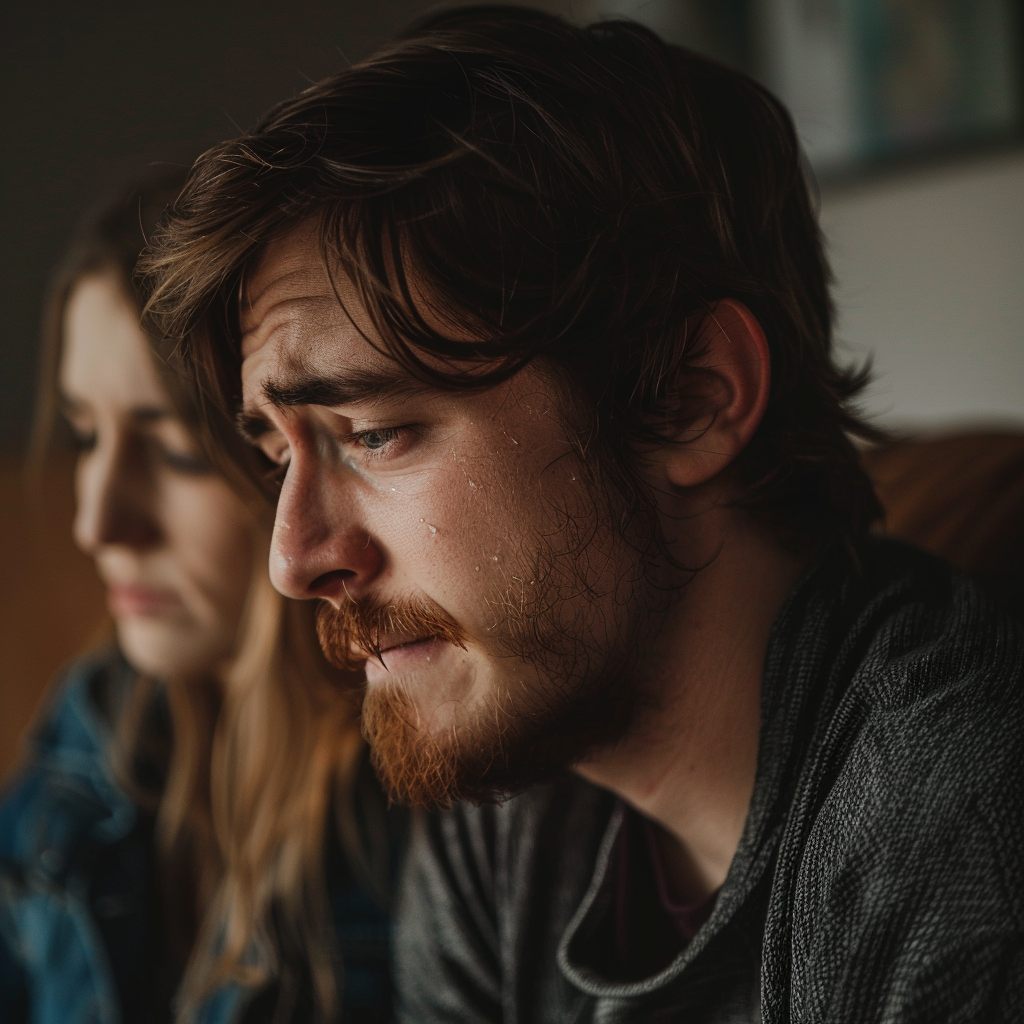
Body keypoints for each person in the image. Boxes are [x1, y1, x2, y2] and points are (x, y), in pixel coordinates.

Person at [141, 7, 1024, 1022]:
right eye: (275, 454)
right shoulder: (509, 808)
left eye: (374, 432)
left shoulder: (961, 847)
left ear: (692, 394)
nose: (293, 560)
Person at [0, 175, 401, 1024]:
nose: (98, 520)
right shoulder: (92, 731)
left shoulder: (428, 811)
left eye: (176, 451)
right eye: (85, 436)